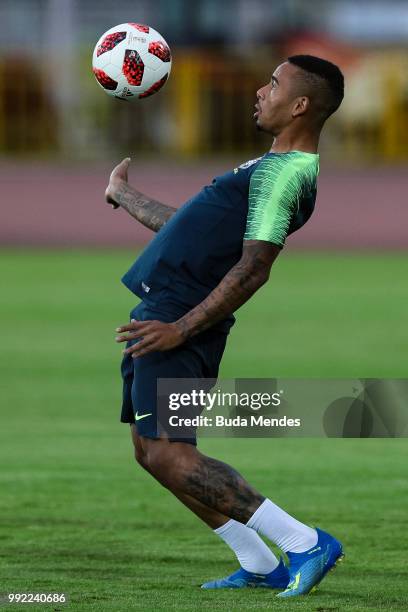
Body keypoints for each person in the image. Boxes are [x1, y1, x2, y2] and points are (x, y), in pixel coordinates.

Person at [105, 55, 345, 597]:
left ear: (300, 105)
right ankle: (259, 563)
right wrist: (124, 195)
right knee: (150, 453)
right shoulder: (268, 168)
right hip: (165, 314)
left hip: (178, 319)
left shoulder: (285, 175)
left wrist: (181, 329)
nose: (261, 91)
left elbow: (254, 266)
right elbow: (184, 231)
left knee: (171, 453)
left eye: (275, 84)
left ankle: (306, 542)